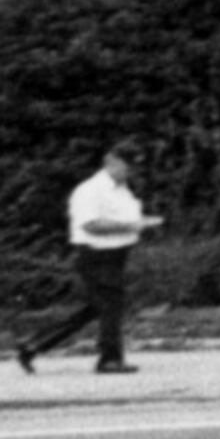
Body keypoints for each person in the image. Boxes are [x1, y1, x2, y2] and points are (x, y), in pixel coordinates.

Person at [15, 141, 160, 375]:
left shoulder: (122, 190)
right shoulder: (90, 190)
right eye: (129, 166)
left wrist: (141, 223)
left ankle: (34, 345)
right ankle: (110, 359)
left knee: (97, 308)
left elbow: (121, 218)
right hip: (96, 254)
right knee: (111, 305)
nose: (132, 171)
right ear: (111, 162)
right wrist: (133, 225)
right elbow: (92, 225)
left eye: (136, 167)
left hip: (115, 255)